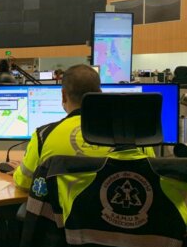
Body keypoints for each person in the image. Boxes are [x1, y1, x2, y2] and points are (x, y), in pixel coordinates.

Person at [13, 64, 154, 190]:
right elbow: (152, 176)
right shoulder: (134, 135)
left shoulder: (43, 136)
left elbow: (24, 182)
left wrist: (16, 171)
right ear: (100, 94)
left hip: (65, 212)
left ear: (63, 96)